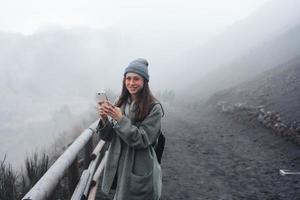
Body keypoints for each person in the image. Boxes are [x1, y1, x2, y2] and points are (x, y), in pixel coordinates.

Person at [96, 58, 163, 200]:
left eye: (136, 79)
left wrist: (120, 119)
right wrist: (104, 119)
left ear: (144, 81)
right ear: (124, 80)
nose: (131, 83)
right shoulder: (120, 103)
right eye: (128, 78)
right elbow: (109, 137)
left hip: (139, 165)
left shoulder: (154, 108)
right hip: (119, 165)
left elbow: (143, 139)